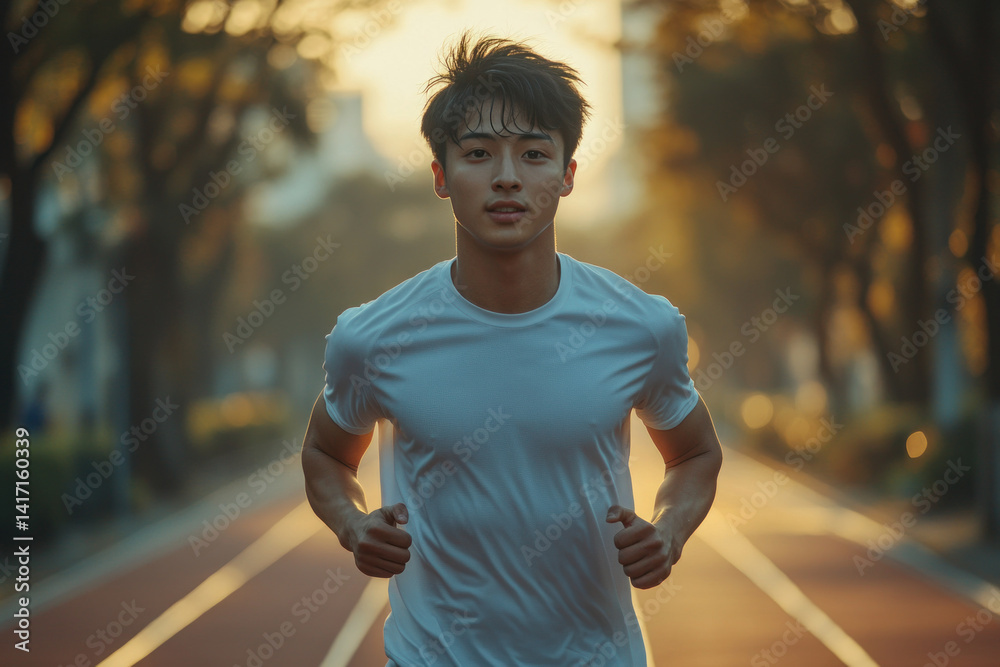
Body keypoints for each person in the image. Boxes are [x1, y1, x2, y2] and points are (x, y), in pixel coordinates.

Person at [301, 30, 724, 666]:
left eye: (533, 155)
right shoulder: (373, 336)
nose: (506, 178)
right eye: (478, 154)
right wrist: (352, 524)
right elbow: (325, 455)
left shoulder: (641, 326)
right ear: (441, 176)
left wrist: (669, 531)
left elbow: (694, 452)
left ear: (567, 174)